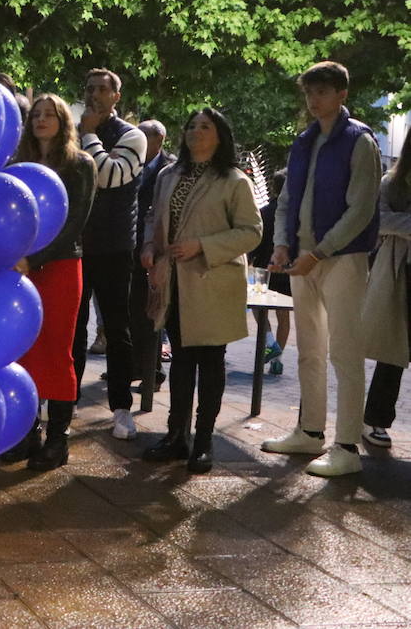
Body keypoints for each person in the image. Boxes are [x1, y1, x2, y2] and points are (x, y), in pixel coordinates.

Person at [260, 61, 380, 478]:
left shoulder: (359, 140)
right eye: (310, 92)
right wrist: (281, 244)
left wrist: (321, 251)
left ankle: (346, 447)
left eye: (323, 92)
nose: (314, 100)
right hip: (303, 258)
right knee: (309, 349)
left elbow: (362, 208)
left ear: (342, 94)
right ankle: (309, 431)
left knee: (345, 352)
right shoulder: (303, 141)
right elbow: (288, 199)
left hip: (343, 258)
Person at [140, 108, 262, 474]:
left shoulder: (233, 180)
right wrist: (149, 246)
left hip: (212, 282)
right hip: (174, 282)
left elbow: (251, 231)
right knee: (179, 360)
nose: (196, 131)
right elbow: (152, 217)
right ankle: (177, 435)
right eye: (191, 125)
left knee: (210, 363)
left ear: (220, 135)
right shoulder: (167, 175)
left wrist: (202, 245)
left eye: (205, 126)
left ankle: (204, 442)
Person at [3, 94, 96, 471]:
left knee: (56, 350)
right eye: (36, 115)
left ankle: (59, 440)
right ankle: (29, 433)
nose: (41, 120)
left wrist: (34, 259)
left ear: (63, 121)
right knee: (22, 351)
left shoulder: (80, 165)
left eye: (49, 115)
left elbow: (75, 223)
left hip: (58, 267)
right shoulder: (18, 164)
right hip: (20, 268)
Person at [74, 68, 147, 441]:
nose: (96, 95)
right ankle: (66, 399)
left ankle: (121, 407)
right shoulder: (71, 133)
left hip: (115, 247)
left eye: (104, 89)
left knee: (117, 329)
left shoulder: (132, 136)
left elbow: (108, 175)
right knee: (72, 327)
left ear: (117, 97)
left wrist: (87, 134)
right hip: (76, 246)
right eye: (90, 88)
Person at [362, 144, 410, 448]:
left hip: (398, 262)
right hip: (398, 272)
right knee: (392, 352)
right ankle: (376, 421)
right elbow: (380, 220)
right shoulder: (391, 182)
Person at [124, 119, 173, 389]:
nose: (139, 141)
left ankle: (152, 372)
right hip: (130, 247)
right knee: (131, 312)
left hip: (154, 250)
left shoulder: (169, 169)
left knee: (150, 315)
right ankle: (133, 367)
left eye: (144, 136)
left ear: (159, 140)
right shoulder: (132, 164)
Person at [250, 168, 292, 374]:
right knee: (284, 316)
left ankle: (269, 342)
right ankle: (278, 357)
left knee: (258, 309)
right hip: (286, 269)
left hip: (261, 269)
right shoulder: (295, 214)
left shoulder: (265, 211)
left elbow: (255, 241)